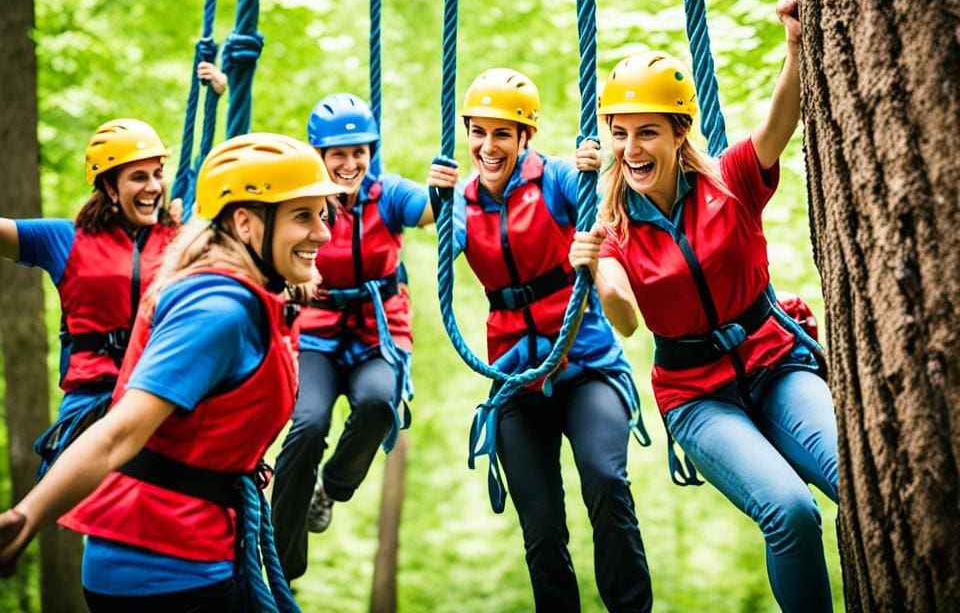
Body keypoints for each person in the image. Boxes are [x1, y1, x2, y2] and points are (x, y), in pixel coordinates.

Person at [569, 0, 839, 613]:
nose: (632, 148)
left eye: (647, 133)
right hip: (696, 397)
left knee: (857, 478)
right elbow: (627, 319)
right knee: (791, 514)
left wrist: (795, 47)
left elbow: (779, 124)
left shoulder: (730, 181)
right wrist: (600, 277)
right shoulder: (610, 227)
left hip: (776, 363)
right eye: (621, 133)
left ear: (678, 132)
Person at [0, 132, 341, 612]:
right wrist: (25, 518)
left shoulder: (254, 298)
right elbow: (117, 436)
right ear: (245, 223)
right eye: (302, 216)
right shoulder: (219, 312)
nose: (323, 233)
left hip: (192, 553)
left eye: (322, 214)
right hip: (163, 568)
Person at [427, 69, 653, 613]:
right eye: (478, 132)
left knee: (605, 483)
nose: (487, 146)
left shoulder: (555, 178)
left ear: (525, 137)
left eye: (502, 133)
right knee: (542, 526)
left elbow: (597, 232)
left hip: (585, 367)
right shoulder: (462, 197)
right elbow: (452, 242)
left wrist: (590, 187)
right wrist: (437, 205)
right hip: (515, 379)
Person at [271, 93, 434, 582]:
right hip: (318, 333)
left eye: (358, 152)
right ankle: (284, 559)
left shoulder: (387, 194)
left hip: (378, 332)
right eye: (337, 154)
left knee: (378, 404)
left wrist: (445, 191)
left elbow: (426, 209)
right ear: (318, 156)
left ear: (371, 152)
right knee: (307, 426)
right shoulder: (299, 205)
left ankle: (333, 489)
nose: (349, 163)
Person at [0, 118, 178, 477]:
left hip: (161, 393)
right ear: (110, 188)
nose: (153, 187)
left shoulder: (181, 242)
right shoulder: (65, 239)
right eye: (139, 177)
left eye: (157, 174)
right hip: (93, 399)